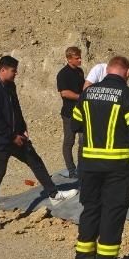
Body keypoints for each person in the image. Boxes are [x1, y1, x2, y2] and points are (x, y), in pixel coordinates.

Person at [0, 56, 78, 230]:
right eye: (13, 70)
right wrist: (12, 136)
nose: (16, 73)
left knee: (35, 161)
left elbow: (15, 108)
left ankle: (54, 194)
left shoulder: (10, 86)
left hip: (16, 136)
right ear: (3, 69)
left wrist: (22, 128)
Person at [71, 55, 129, 259]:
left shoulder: (87, 93)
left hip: (89, 164)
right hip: (118, 166)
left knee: (90, 209)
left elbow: (76, 124)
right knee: (113, 212)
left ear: (107, 70)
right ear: (127, 72)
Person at [56, 46, 85, 178]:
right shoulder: (63, 74)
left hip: (82, 112)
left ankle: (81, 167)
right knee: (69, 142)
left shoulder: (80, 72)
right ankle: (72, 170)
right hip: (69, 113)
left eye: (80, 57)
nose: (80, 60)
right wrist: (81, 97)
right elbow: (64, 93)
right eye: (77, 58)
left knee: (83, 141)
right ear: (69, 59)